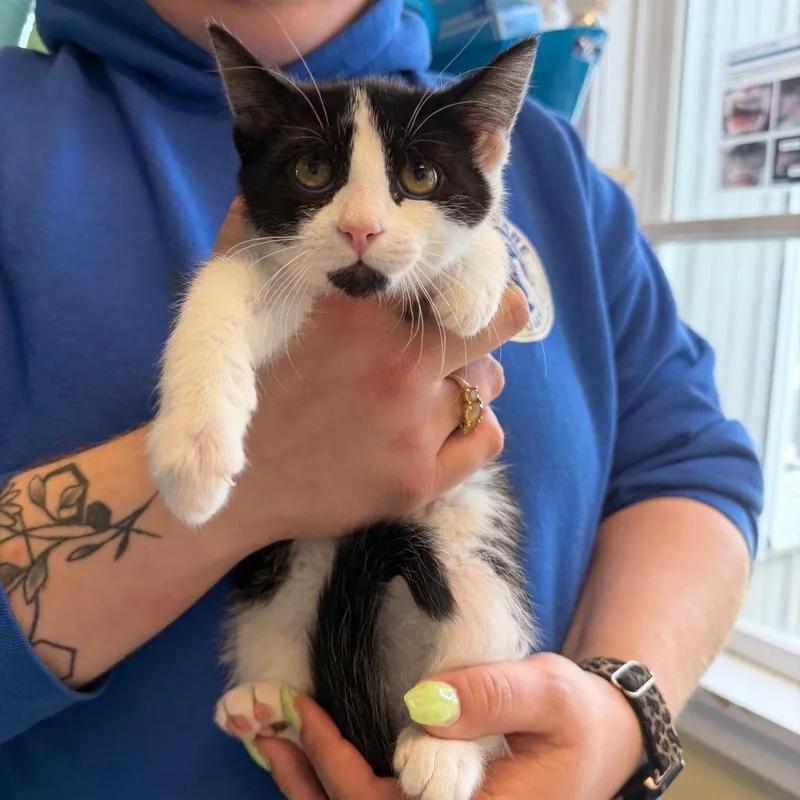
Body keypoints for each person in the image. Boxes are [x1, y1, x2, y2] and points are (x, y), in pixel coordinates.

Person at [0, 1, 762, 798]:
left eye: (418, 179)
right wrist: (255, 485)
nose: (364, 224)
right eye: (315, 171)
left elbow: (689, 464)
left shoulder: (552, 162)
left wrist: (613, 719)